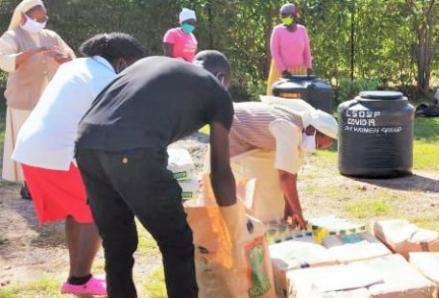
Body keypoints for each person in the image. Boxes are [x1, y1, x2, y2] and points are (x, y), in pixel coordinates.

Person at [75, 51, 236, 298]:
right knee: (177, 241)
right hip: (132, 149)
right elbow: (220, 171)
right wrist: (232, 224)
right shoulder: (217, 90)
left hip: (86, 144)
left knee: (117, 243)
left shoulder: (152, 64)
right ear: (221, 76)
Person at [11, 32, 146, 296]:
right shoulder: (105, 79)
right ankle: (79, 279)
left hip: (34, 149)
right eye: (132, 67)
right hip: (57, 153)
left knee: (80, 211)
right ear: (121, 62)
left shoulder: (75, 67)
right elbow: (118, 127)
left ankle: (78, 277)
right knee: (96, 209)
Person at [0, 0, 75, 199]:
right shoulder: (12, 36)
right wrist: (33, 52)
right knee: (26, 144)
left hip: (50, 98)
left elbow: (70, 58)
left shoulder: (51, 36)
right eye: (37, 18)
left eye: (44, 18)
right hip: (23, 99)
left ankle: (48, 183)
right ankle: (29, 185)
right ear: (24, 17)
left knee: (47, 141)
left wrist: (63, 60)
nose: (42, 22)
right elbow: (4, 62)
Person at [228, 97, 337, 228]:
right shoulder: (290, 128)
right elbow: (285, 176)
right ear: (311, 131)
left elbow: (291, 169)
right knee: (261, 188)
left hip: (253, 136)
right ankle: (250, 224)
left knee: (273, 185)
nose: (314, 148)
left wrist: (290, 207)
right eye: (318, 145)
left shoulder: (306, 123)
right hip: (232, 129)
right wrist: (299, 213)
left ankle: (268, 220)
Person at [266, 3, 313, 95]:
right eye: (282, 16)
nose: (284, 18)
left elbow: (307, 50)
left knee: (297, 101)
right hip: (281, 73)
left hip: (299, 73)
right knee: (280, 100)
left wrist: (309, 66)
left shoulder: (302, 30)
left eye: (287, 16)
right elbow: (275, 52)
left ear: (295, 16)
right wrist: (283, 70)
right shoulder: (277, 30)